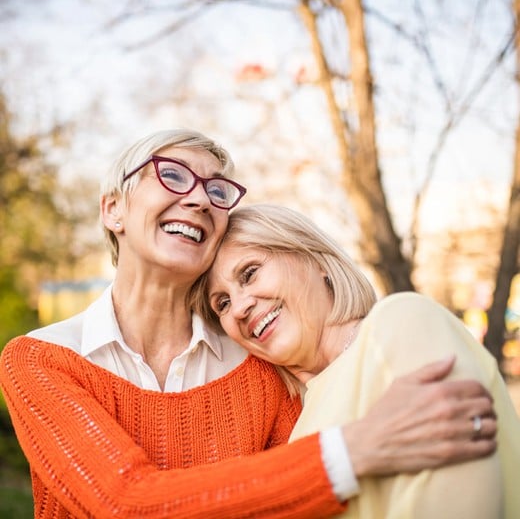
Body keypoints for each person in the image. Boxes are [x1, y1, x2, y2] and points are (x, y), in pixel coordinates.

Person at [0, 130, 497, 519]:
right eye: (172, 175)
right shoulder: (40, 359)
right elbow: (120, 504)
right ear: (113, 209)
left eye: (217, 191)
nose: (198, 199)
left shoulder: (259, 368)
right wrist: (352, 452)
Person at [197, 203, 520, 519]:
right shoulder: (298, 429)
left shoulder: (400, 322)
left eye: (250, 273)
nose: (238, 307)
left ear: (315, 259)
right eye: (222, 303)